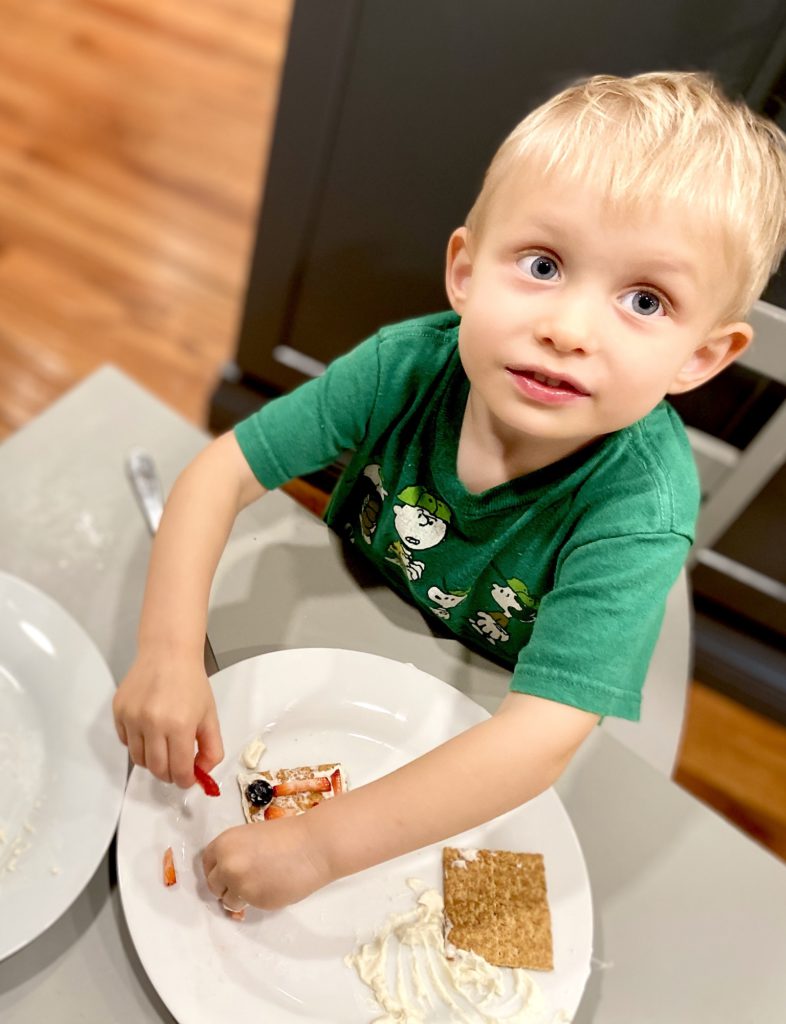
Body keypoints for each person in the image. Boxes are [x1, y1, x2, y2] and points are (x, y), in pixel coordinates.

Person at [113, 71, 786, 916]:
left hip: (482, 708)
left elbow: (538, 741)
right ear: (465, 271)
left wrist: (321, 847)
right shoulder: (406, 365)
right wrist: (168, 651)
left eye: (645, 300)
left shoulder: (637, 508)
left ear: (702, 356)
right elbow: (222, 471)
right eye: (542, 264)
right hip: (344, 629)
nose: (568, 330)